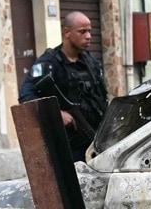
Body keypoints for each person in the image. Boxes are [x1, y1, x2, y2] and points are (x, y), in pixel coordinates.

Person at [19, 11, 109, 162]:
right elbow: (26, 96)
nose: (88, 36)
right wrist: (56, 113)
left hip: (95, 139)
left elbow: (100, 97)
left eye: (89, 31)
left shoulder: (91, 63)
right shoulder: (48, 64)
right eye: (82, 31)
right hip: (67, 145)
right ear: (67, 33)